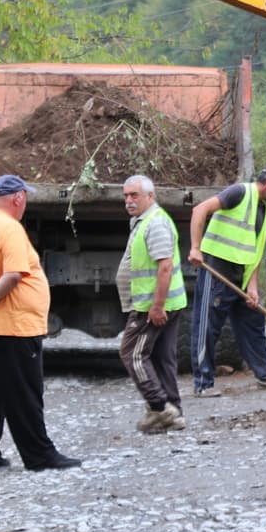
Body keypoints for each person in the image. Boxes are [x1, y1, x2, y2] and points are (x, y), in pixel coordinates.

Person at [0, 174, 82, 471]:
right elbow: (13, 274)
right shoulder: (9, 228)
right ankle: (40, 457)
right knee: (24, 393)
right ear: (18, 198)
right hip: (10, 325)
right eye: (25, 198)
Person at [187, 164, 266, 395]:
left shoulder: (262, 211)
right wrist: (195, 248)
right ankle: (203, 384)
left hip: (241, 280)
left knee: (253, 325)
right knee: (207, 328)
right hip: (216, 273)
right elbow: (200, 210)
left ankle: (265, 375)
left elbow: (254, 254)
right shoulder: (239, 192)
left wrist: (252, 287)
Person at [116, 175, 188, 433]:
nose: (129, 200)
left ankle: (160, 408)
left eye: (134, 195)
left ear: (150, 196)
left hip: (152, 305)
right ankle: (174, 411)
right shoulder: (143, 220)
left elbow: (165, 267)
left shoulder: (155, 223)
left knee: (132, 353)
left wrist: (157, 307)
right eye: (126, 195)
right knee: (162, 356)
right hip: (163, 302)